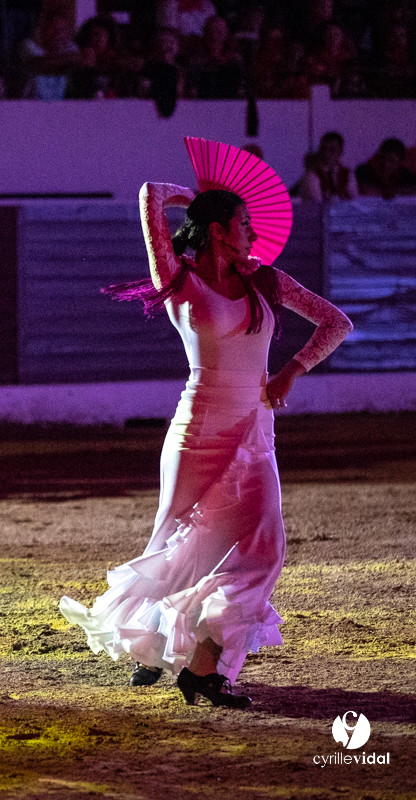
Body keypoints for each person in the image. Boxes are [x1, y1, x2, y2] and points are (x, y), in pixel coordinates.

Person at [60, 181, 352, 708]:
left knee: (265, 547)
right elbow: (148, 194)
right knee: (177, 549)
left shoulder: (267, 280)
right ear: (218, 231)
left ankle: (205, 668)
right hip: (195, 435)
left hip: (253, 433)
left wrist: (291, 370)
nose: (253, 232)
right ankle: (154, 648)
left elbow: (336, 322)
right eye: (243, 223)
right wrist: (188, 193)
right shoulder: (181, 280)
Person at [292, 130, 358, 203]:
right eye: (323, 149)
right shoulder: (312, 175)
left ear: (340, 151)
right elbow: (316, 202)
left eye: (332, 150)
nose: (326, 154)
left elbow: (353, 199)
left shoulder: (348, 174)